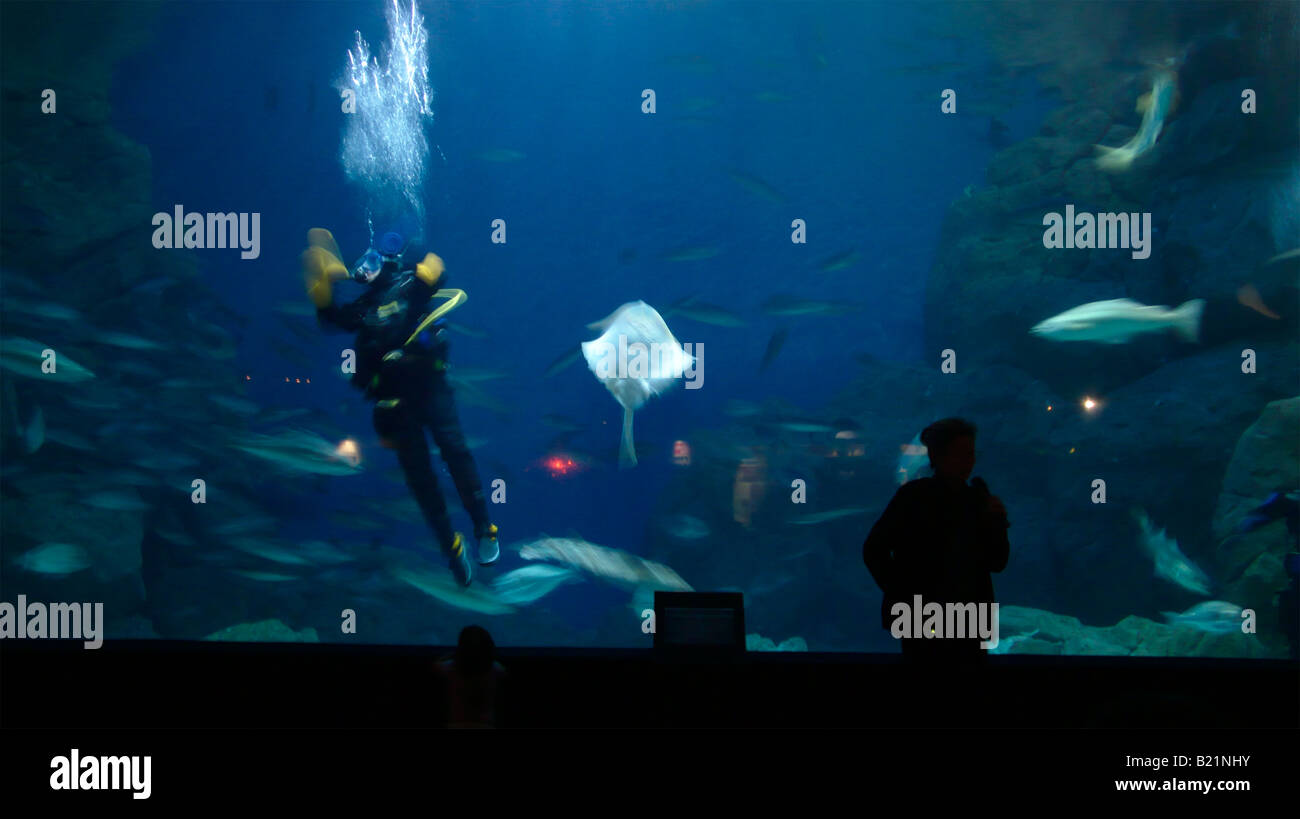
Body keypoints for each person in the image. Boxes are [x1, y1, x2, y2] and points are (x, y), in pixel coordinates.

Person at [301, 227, 498, 586]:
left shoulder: (411, 284)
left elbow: (439, 279)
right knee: (421, 482)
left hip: (430, 387)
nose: (364, 270)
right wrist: (321, 290)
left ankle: (483, 525)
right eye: (360, 266)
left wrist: (429, 267)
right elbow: (333, 321)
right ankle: (451, 548)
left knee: (455, 451)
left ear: (388, 261)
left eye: (371, 261)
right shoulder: (363, 308)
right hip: (393, 404)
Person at [862, 417, 1010, 663]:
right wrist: (904, 595)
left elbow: (997, 561)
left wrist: (998, 522)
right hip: (931, 619)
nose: (968, 461)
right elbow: (873, 550)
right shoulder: (912, 497)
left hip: (966, 620)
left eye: (971, 453)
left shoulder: (978, 500)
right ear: (937, 456)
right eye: (960, 454)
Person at [436, 625, 506, 728]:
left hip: (457, 724)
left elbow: (436, 665)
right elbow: (504, 672)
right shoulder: (495, 669)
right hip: (485, 725)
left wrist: (453, 655)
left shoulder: (451, 667)